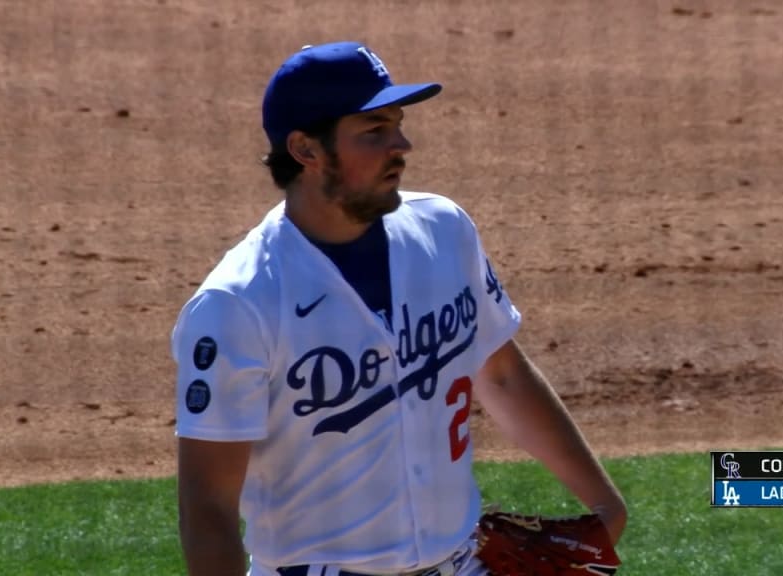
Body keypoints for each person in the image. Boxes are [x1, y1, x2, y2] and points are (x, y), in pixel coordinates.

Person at [170, 41, 627, 576]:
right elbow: (208, 506)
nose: (401, 144)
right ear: (306, 150)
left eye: (398, 124)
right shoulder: (238, 303)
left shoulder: (444, 229)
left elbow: (500, 373)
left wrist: (605, 502)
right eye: (374, 131)